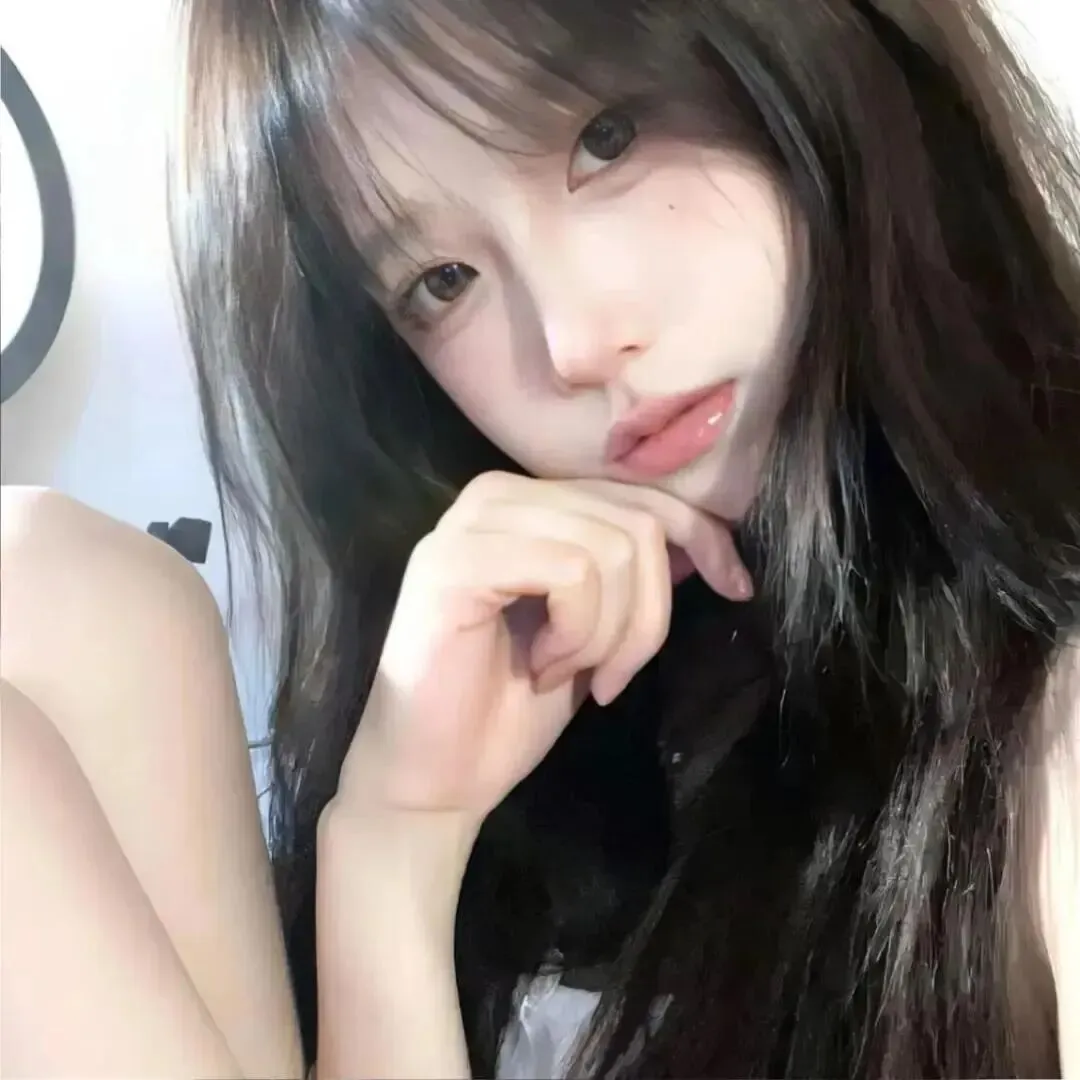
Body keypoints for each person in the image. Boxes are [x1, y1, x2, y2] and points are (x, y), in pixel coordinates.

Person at [3, 0, 1078, 1076]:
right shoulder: (535, 703)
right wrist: (393, 844)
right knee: (49, 580)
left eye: (605, 139)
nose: (573, 341)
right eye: (442, 283)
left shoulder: (1044, 743)